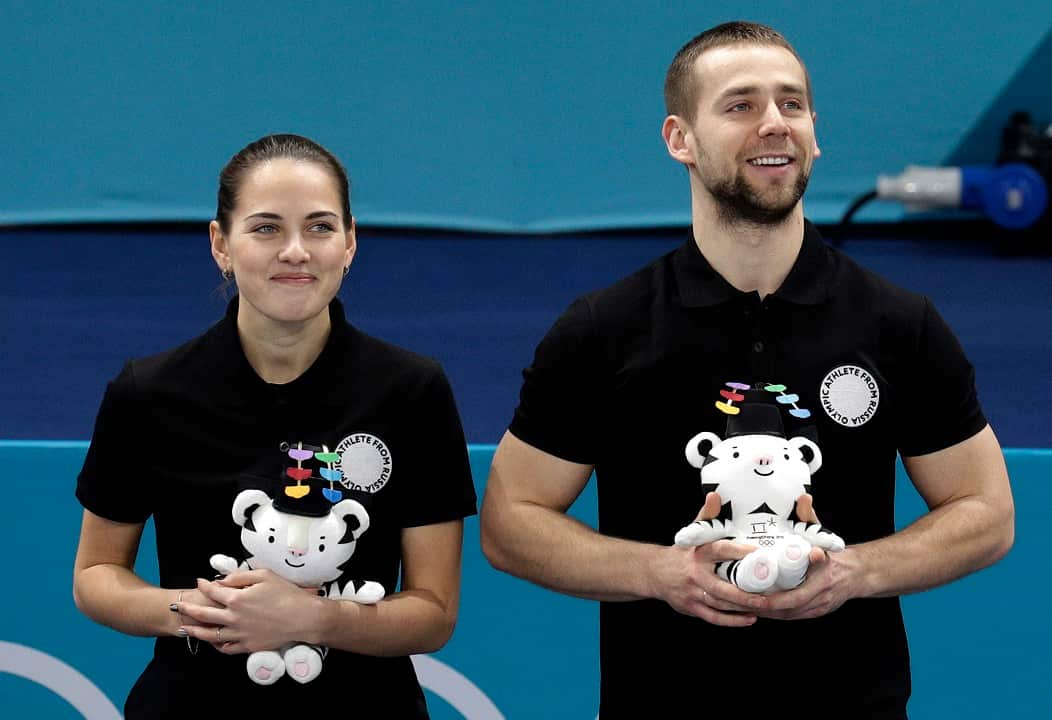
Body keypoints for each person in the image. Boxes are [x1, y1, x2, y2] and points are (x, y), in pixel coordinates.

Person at [480, 21, 1014, 719]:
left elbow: (988, 513)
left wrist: (852, 573)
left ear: (815, 133)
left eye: (792, 105)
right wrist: (664, 574)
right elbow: (510, 520)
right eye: (740, 106)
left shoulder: (897, 324)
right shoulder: (603, 330)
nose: (774, 125)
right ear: (681, 140)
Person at [72, 134, 476, 717]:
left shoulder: (412, 390)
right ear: (221, 244)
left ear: (350, 242)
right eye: (265, 228)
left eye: (319, 227)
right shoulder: (148, 391)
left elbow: (434, 611)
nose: (295, 251)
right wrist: (208, 613)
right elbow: (96, 575)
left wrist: (314, 617)